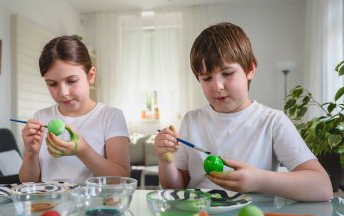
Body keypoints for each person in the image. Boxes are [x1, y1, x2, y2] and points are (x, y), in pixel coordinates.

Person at [155, 22, 333, 201]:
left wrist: (259, 180)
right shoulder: (192, 120)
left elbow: (322, 187)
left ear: (250, 70)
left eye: (228, 73)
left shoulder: (272, 121)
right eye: (207, 78)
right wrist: (165, 161)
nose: (218, 86)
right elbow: (176, 187)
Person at [19, 36, 130, 184]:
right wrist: (31, 154)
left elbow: (121, 179)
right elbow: (28, 182)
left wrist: (83, 151)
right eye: (52, 84)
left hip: (94, 205)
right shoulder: (41, 116)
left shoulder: (111, 116)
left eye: (71, 81)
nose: (63, 92)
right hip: (50, 205)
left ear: (90, 76)